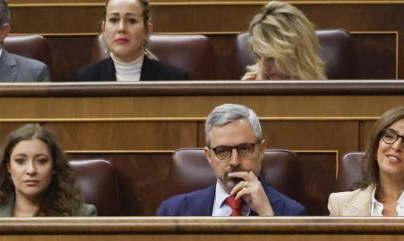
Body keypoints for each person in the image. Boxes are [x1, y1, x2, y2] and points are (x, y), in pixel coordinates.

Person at [155, 103, 306, 216]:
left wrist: (267, 217)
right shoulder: (173, 212)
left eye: (244, 149)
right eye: (223, 151)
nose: (234, 161)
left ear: (261, 151)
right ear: (208, 156)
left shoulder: (292, 213)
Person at [0, 123, 96, 217]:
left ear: (54, 167)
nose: (31, 170)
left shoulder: (81, 216)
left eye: (41, 161)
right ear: (9, 167)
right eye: (20, 161)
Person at [75, 0, 189, 80]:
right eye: (114, 20)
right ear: (104, 29)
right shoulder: (85, 79)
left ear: (147, 31)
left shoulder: (173, 80)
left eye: (132, 21)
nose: (121, 29)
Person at [241, 0, 325, 79]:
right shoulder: (254, 85)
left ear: (298, 52)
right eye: (259, 57)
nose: (264, 68)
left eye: (271, 58)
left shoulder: (328, 93)